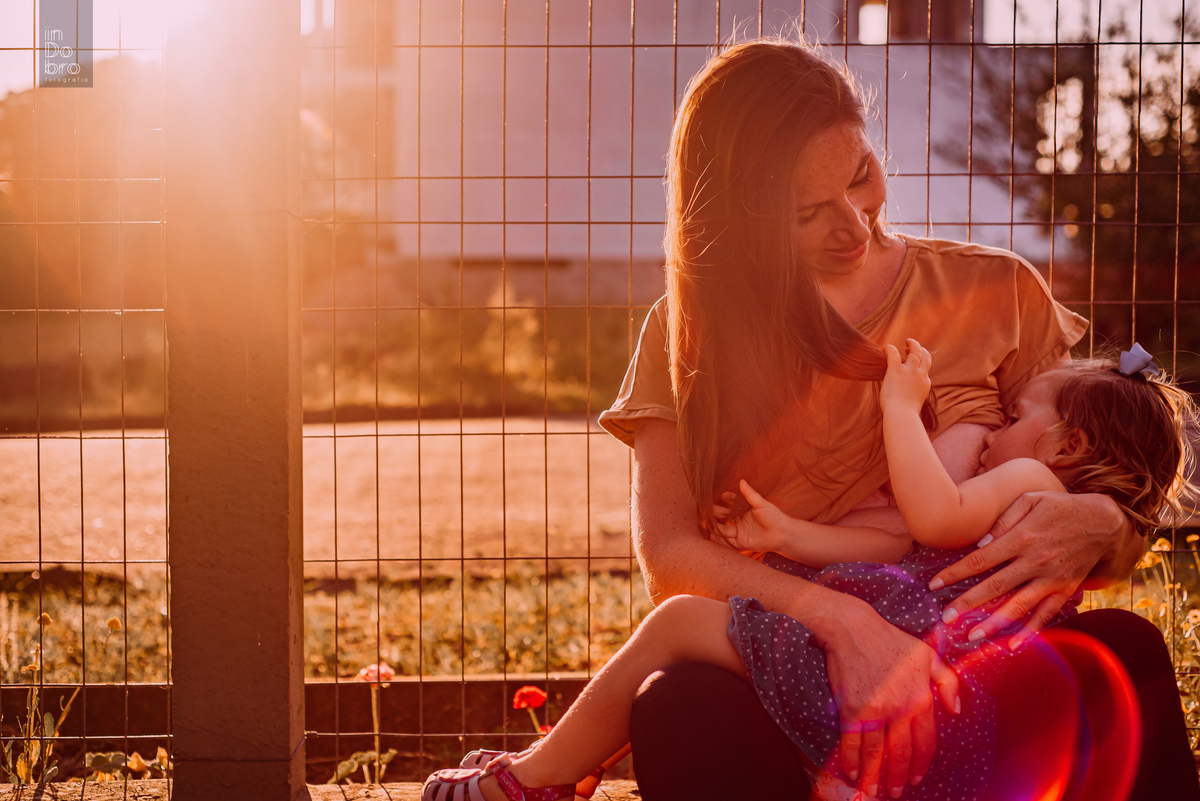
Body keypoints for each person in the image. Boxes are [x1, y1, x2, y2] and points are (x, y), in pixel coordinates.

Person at [595, 37, 1197, 801]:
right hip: (795, 670)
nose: (854, 224)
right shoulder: (684, 333)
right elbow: (672, 556)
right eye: (809, 212)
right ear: (740, 221)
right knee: (679, 705)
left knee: (1127, 652)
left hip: (974, 665)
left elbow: (1098, 462)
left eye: (860, 177)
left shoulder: (1000, 290)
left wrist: (1108, 524)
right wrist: (844, 625)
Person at [418, 343, 1197, 801]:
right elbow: (890, 544)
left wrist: (902, 404)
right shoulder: (1040, 505)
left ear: (1066, 446)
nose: (996, 426)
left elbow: (925, 519)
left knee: (679, 625)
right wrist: (788, 531)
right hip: (960, 723)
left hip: (913, 663)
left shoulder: (1032, 486)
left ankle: (528, 780)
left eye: (1019, 413)